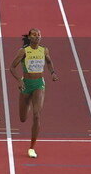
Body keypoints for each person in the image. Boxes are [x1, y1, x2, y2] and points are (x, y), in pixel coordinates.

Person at [9, 28, 58, 159]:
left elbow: (49, 62)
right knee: (23, 118)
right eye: (34, 35)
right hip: (26, 85)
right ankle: (29, 101)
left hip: (39, 84)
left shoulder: (44, 50)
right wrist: (19, 80)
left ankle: (32, 147)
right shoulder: (23, 51)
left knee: (36, 115)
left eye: (39, 35)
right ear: (29, 37)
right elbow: (12, 67)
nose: (37, 37)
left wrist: (52, 72)